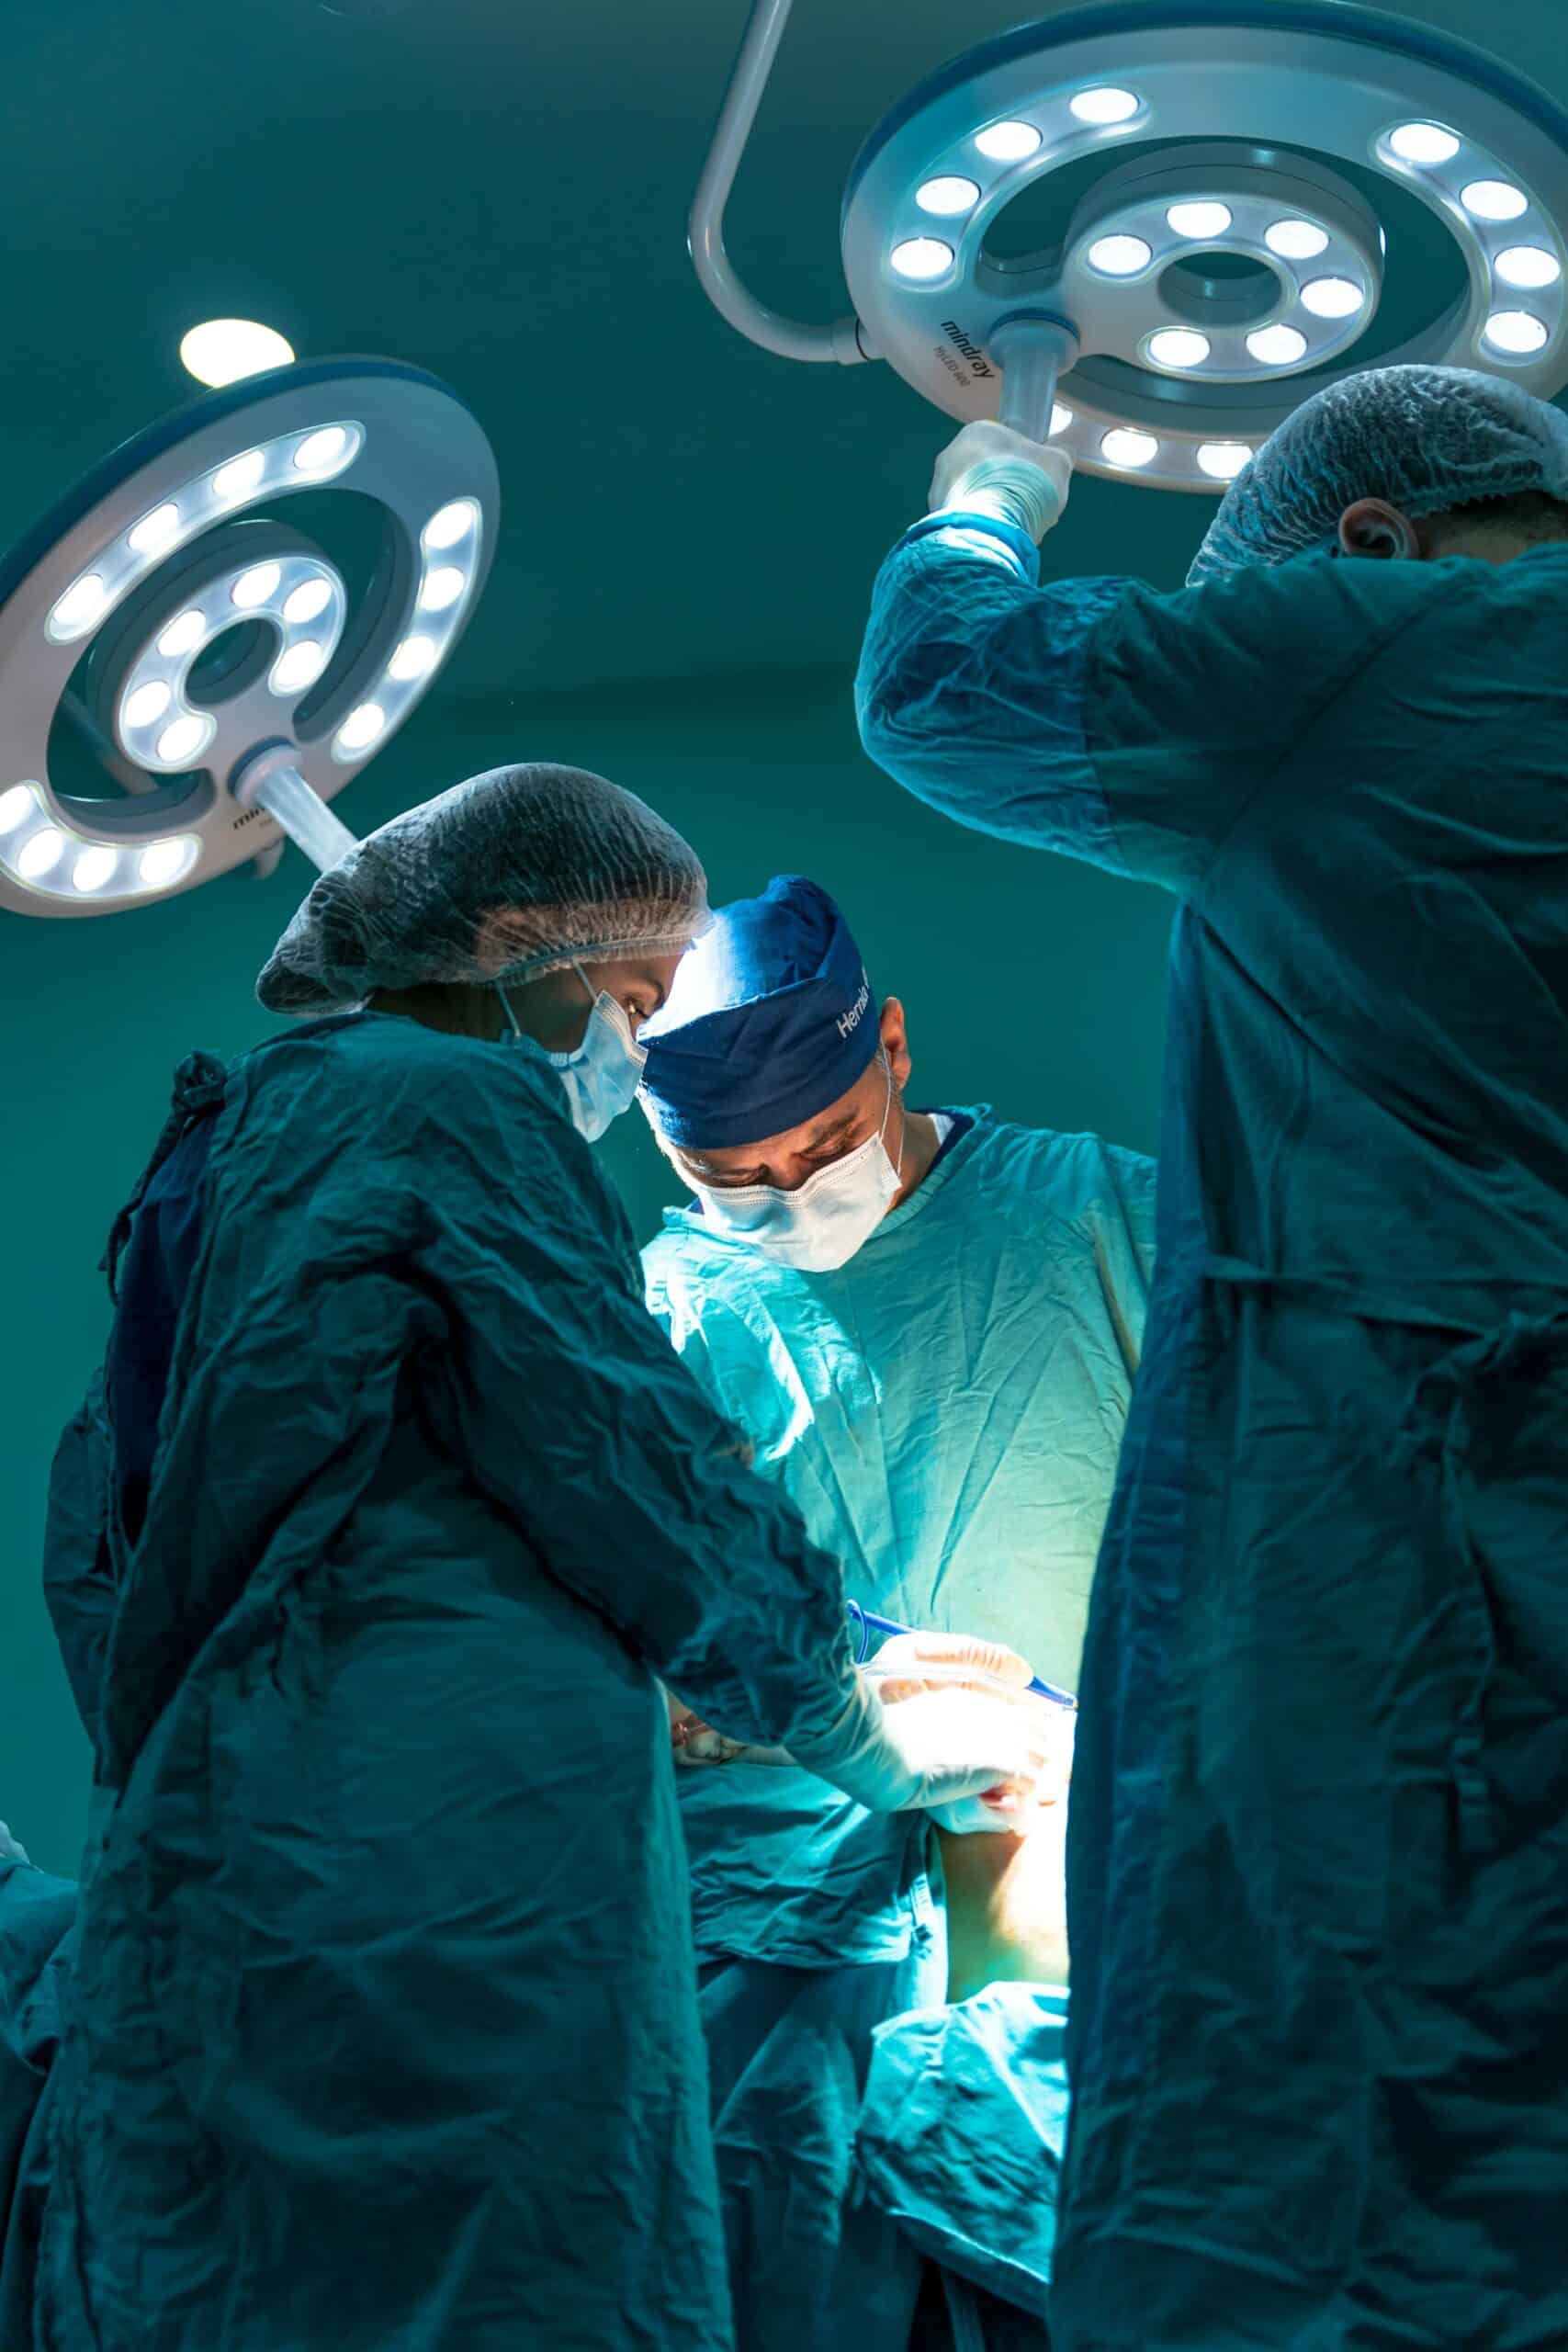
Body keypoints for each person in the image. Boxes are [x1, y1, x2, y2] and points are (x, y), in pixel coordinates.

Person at [31, 763, 1046, 2352]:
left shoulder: (219, 1158)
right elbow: (638, 1466)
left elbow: (101, 1544)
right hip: (463, 1884)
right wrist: (850, 1725)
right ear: (519, 945)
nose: (630, 1049)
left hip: (241, 1869)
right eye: (633, 1001)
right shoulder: (446, 1106)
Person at [854, 365, 1568, 2350]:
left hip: (1394, 1507)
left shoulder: (1364, 648)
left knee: (1322, 2118)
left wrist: (984, 493)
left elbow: (944, 688)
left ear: (1365, 545)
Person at [637, 874, 1156, 2350]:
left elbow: (1281, 1517)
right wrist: (801, 1714)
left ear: (897, 1046)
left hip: (1090, 1845)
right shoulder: (655, 1322)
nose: (790, 1196)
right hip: (785, 1918)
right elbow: (615, 1654)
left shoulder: (1101, 1215)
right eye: (731, 1176)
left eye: (824, 1145)